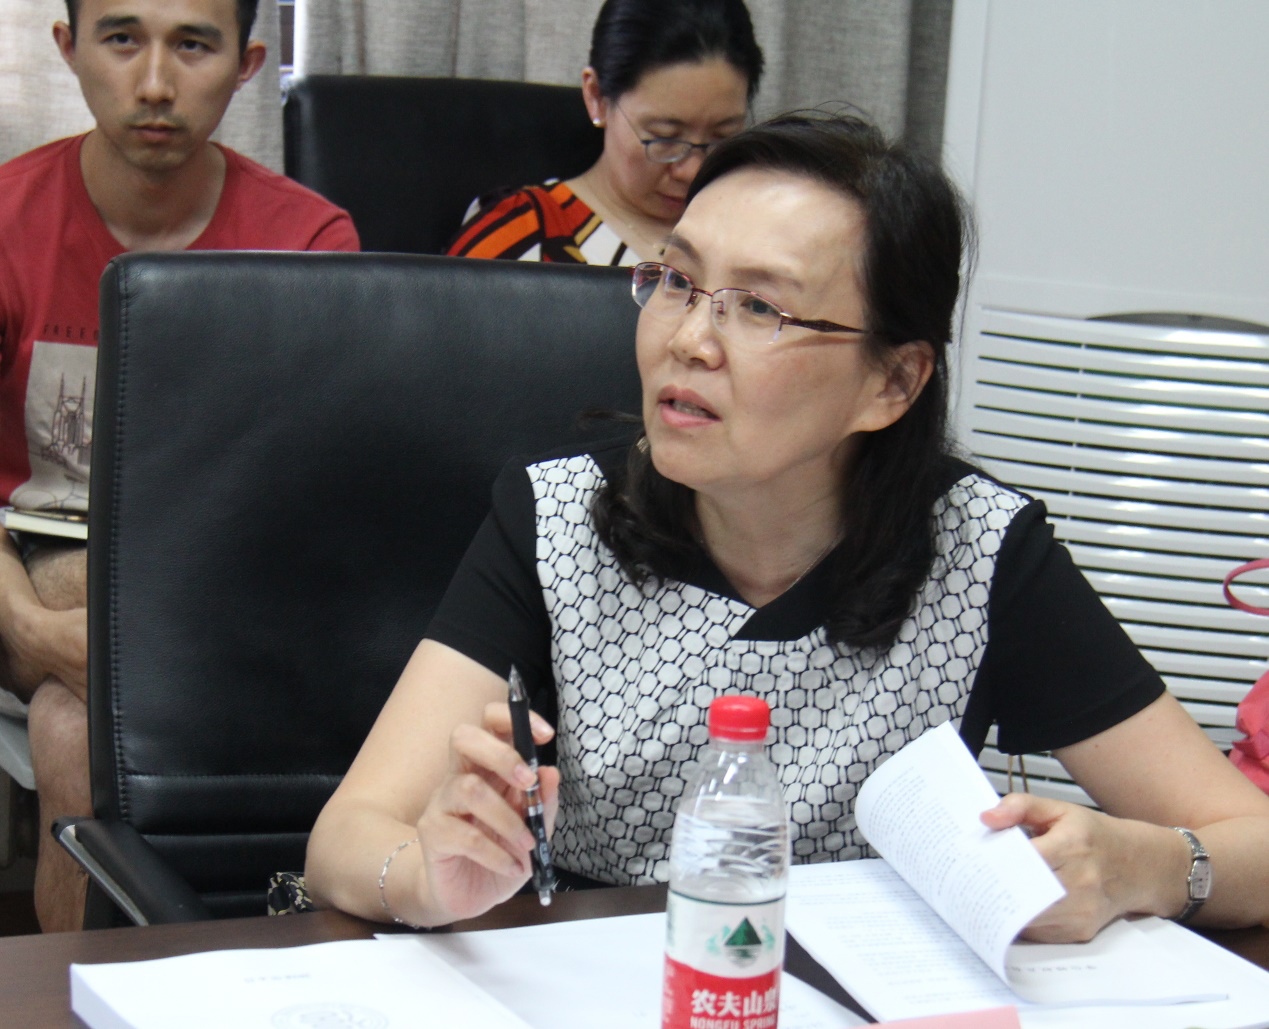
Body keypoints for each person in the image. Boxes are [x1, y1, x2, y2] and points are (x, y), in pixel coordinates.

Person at [305, 111, 1269, 940]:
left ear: (892, 381)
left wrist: (1150, 866)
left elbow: (1251, 842)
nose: (689, 338)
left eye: (759, 307)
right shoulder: (559, 520)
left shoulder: (977, 550)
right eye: (676, 281)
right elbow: (347, 836)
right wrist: (428, 877)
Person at [0, 0, 360, 933]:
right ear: (68, 48)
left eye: (192, 45)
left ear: (246, 63)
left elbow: (310, 499)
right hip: (23, 565)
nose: (155, 83)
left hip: (225, 585)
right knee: (76, 652)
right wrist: (29, 629)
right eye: (122, 39)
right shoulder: (5, 220)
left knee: (73, 727)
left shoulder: (309, 242)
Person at [446, 0, 763, 266]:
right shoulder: (519, 235)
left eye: (722, 137)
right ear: (597, 97)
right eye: (665, 136)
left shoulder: (761, 235)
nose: (692, 170)